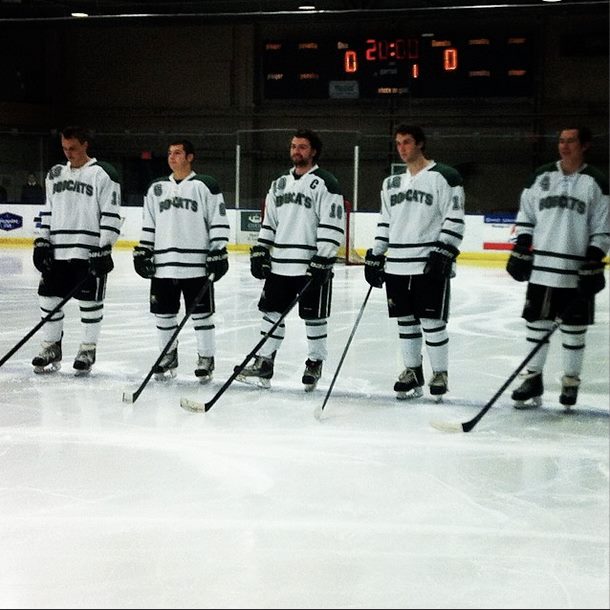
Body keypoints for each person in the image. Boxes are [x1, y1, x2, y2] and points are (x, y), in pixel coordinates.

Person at [506, 126, 609, 410]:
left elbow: (602, 227)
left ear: (584, 145)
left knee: (575, 328)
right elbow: (526, 215)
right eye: (561, 141)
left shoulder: (596, 182)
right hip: (542, 267)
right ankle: (532, 379)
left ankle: (570, 381)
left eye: (571, 141)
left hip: (576, 269)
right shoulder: (541, 176)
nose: (564, 145)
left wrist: (594, 258)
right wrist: (521, 246)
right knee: (536, 324)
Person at [238, 128, 345, 391]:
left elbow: (332, 223)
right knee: (271, 313)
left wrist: (323, 258)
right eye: (293, 146)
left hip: (310, 264)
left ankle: (315, 362)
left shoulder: (326, 183)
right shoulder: (279, 184)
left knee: (314, 317)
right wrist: (261, 249)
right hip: (281, 263)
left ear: (314, 151)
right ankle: (265, 361)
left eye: (302, 147)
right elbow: (270, 221)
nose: (296, 151)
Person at [364, 124, 465, 400]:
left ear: (420, 143)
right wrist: (376, 253)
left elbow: (454, 217)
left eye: (407, 142)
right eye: (398, 143)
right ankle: (412, 372)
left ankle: (440, 373)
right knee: (406, 322)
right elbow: (385, 221)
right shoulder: (391, 183)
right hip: (397, 263)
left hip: (427, 262)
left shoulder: (444, 177)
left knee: (432, 321)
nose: (402, 148)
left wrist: (445, 249)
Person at [133, 139, 230, 382]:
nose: (172, 157)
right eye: (169, 153)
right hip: (163, 265)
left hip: (196, 265)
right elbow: (149, 223)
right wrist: (144, 250)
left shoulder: (205, 185)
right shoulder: (156, 188)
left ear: (190, 157)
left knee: (201, 315)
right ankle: (168, 356)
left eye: (177, 153)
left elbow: (217, 221)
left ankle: (206, 358)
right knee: (164, 314)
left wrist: (218, 250)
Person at [32, 126, 122, 374]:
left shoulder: (103, 173)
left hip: (88, 252)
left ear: (85, 145)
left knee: (90, 303)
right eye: (64, 148)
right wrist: (42, 241)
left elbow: (111, 214)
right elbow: (48, 210)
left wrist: (104, 247)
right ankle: (51, 346)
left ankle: (87, 349)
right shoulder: (55, 174)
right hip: (58, 251)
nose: (68, 153)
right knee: (48, 299)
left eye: (72, 148)